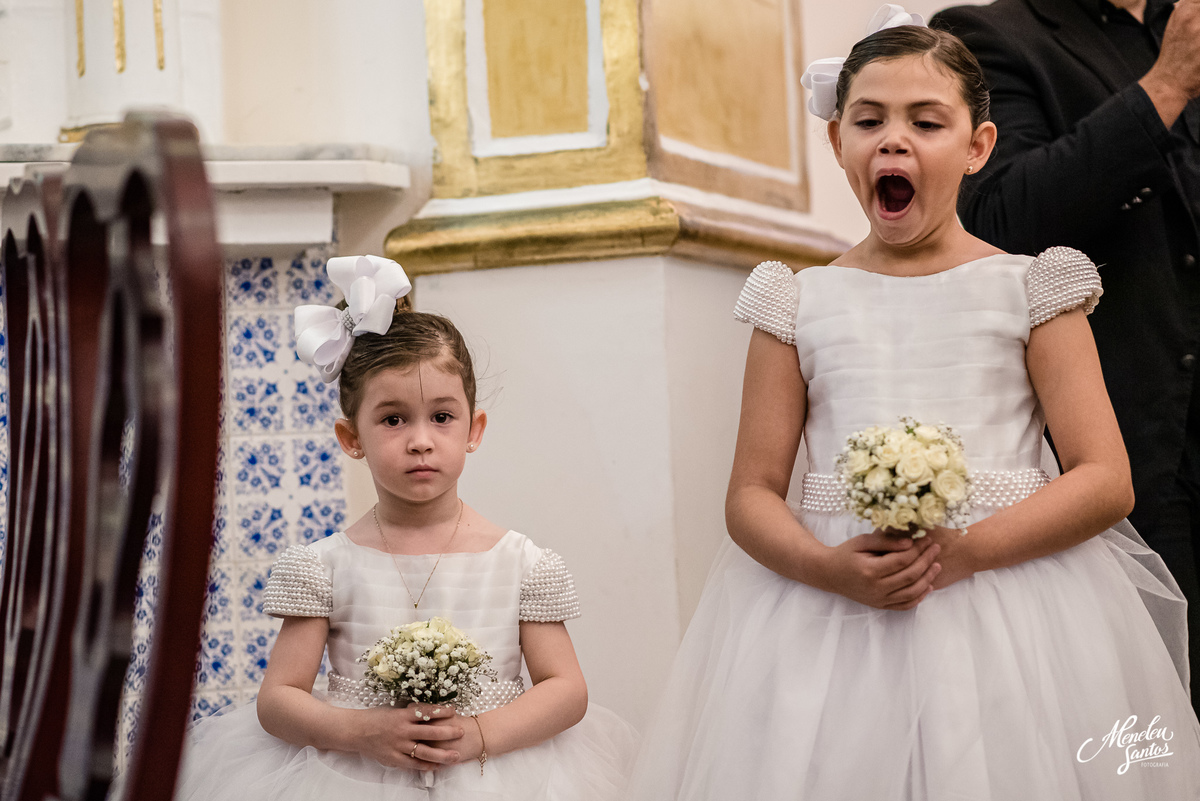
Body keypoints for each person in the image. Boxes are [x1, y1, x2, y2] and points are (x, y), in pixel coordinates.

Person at [626, 8, 1200, 799]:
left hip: (1011, 602)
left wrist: (966, 550)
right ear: (838, 144)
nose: (893, 139)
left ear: (977, 148)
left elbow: (1106, 480)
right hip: (831, 616)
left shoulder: (1034, 287)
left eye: (926, 121)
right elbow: (751, 493)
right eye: (868, 119)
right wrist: (827, 566)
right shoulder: (795, 302)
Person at [176, 255, 637, 800]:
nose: (420, 440)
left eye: (442, 417)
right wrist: (361, 732)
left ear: (474, 429)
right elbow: (278, 699)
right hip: (354, 776)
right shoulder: (324, 566)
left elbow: (565, 690)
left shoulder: (521, 563)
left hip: (496, 777)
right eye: (393, 419)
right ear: (352, 438)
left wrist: (480, 734)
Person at [930, 0, 1200, 709]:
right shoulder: (991, 33)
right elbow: (1003, 219)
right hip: (1129, 437)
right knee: (1157, 712)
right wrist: (1167, 87)